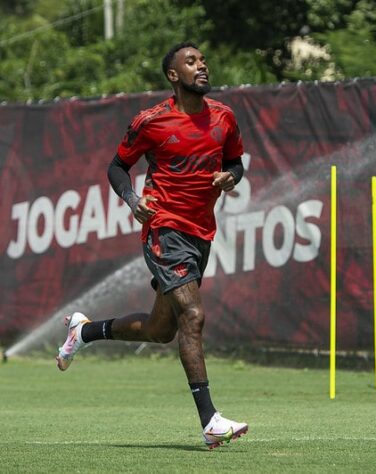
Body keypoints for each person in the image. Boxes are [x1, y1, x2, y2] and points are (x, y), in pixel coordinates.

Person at [56, 41, 248, 448]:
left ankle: (84, 331)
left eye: (203, 60)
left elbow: (236, 163)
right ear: (173, 76)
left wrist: (231, 177)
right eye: (191, 62)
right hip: (164, 229)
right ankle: (210, 421)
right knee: (192, 316)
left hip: (200, 232)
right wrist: (132, 201)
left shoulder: (225, 118)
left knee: (162, 329)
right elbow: (117, 167)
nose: (202, 66)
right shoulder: (152, 121)